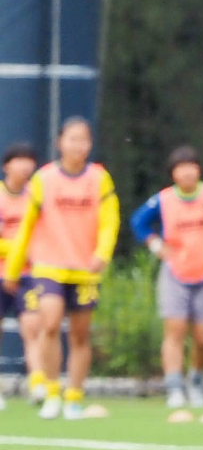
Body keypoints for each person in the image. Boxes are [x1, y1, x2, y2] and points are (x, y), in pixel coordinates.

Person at [3, 117, 120, 420]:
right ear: (60, 143)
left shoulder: (99, 179)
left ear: (90, 144)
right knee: (50, 325)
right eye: (71, 139)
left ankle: (75, 396)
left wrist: (102, 254)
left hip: (84, 268)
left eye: (83, 140)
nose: (77, 145)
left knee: (80, 335)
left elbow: (110, 221)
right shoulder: (44, 179)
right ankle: (52, 390)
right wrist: (14, 268)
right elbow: (27, 225)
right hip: (49, 266)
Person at [131, 146, 203, 410]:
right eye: (181, 167)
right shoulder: (164, 200)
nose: (187, 172)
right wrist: (157, 246)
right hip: (176, 274)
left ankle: (197, 381)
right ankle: (174, 387)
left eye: (191, 166)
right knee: (175, 331)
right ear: (173, 173)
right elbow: (138, 222)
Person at [0, 142, 44, 407]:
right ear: (7, 166)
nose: (26, 166)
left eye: (30, 160)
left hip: (27, 275)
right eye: (19, 160)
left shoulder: (35, 197)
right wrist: (17, 247)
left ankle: (37, 384)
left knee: (32, 328)